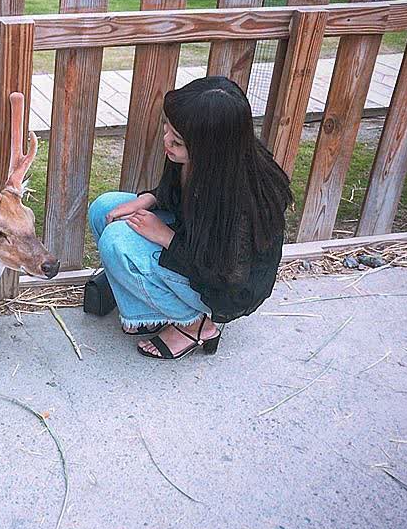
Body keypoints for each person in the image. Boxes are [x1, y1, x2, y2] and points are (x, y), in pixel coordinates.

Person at [86, 76, 293, 360]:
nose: (166, 141)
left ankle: (198, 325)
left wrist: (165, 236)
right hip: (192, 242)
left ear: (210, 149)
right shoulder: (201, 160)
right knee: (104, 207)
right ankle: (151, 312)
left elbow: (228, 276)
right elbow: (180, 197)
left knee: (116, 240)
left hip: (221, 288)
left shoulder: (240, 198)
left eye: (178, 140)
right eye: (167, 129)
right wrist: (150, 197)